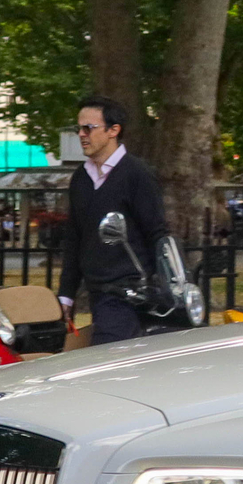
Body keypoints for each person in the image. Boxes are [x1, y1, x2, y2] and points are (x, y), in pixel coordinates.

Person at [56, 95, 169, 345]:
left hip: (129, 294)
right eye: (79, 128)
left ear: (113, 130)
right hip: (98, 293)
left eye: (89, 128)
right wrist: (66, 296)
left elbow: (157, 233)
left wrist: (163, 284)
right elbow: (75, 239)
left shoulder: (137, 175)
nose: (82, 134)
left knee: (109, 358)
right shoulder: (80, 179)